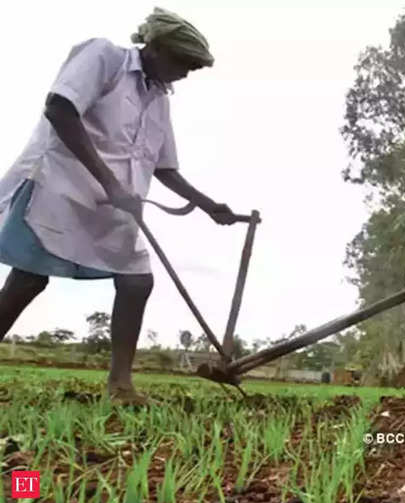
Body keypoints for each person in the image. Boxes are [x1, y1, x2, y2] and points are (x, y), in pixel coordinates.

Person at [0, 7, 240, 405]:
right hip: (59, 188)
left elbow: (164, 168)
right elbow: (59, 108)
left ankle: (121, 386)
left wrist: (209, 205)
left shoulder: (158, 98)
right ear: (157, 48)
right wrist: (110, 182)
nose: (185, 74)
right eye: (183, 64)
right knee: (28, 279)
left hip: (115, 205)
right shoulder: (104, 57)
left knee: (136, 280)